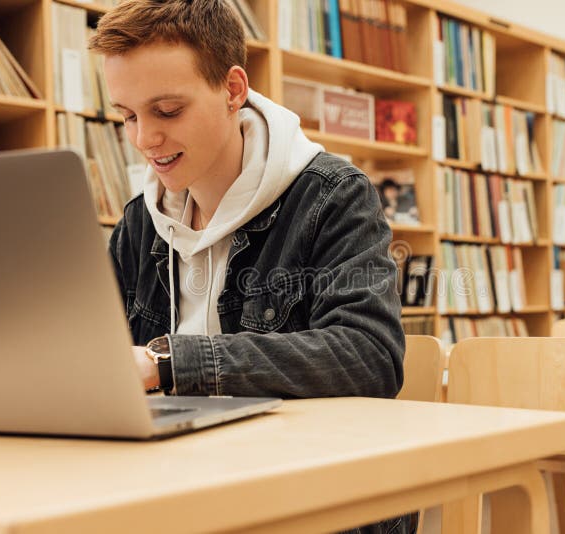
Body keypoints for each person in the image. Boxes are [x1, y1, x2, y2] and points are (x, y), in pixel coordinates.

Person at [90, 1, 410, 532]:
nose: (145, 138)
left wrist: (169, 363)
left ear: (233, 89)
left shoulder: (331, 197)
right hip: (171, 485)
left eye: (167, 111)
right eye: (127, 116)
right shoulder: (139, 223)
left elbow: (369, 354)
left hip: (310, 496)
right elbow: (94, 358)